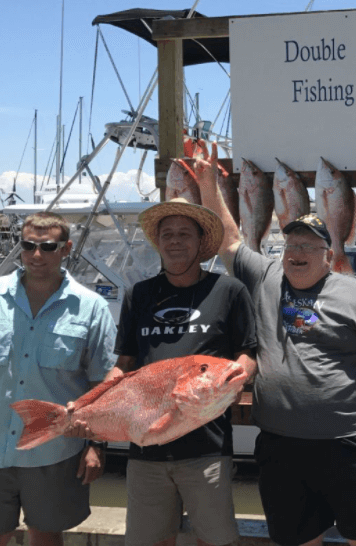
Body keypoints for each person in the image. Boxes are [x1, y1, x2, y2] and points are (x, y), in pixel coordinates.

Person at [194, 145, 356, 546]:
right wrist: (208, 184)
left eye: (308, 246)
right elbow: (229, 238)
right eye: (291, 246)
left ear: (329, 253)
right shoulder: (264, 275)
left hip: (352, 441)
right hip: (282, 446)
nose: (297, 254)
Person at [0, 211, 117, 546]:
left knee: (46, 538)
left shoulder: (92, 308)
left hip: (54, 453)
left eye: (48, 247)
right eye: (28, 245)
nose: (36, 255)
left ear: (66, 249)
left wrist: (97, 445)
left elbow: (102, 384)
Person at [102, 198, 257, 546]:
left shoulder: (229, 291)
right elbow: (124, 362)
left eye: (184, 234)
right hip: (145, 446)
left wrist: (237, 377)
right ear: (158, 242)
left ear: (201, 242)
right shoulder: (138, 294)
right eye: (167, 234)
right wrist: (100, 398)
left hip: (207, 446)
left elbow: (248, 353)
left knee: (216, 541)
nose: (175, 241)